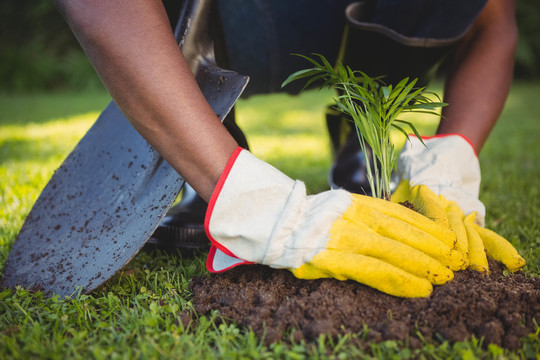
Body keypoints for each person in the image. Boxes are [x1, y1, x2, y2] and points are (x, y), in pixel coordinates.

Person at [53, 0, 521, 297]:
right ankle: (209, 147)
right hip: (235, 22)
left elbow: (492, 21)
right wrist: (242, 195)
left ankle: (362, 131)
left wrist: (451, 163)